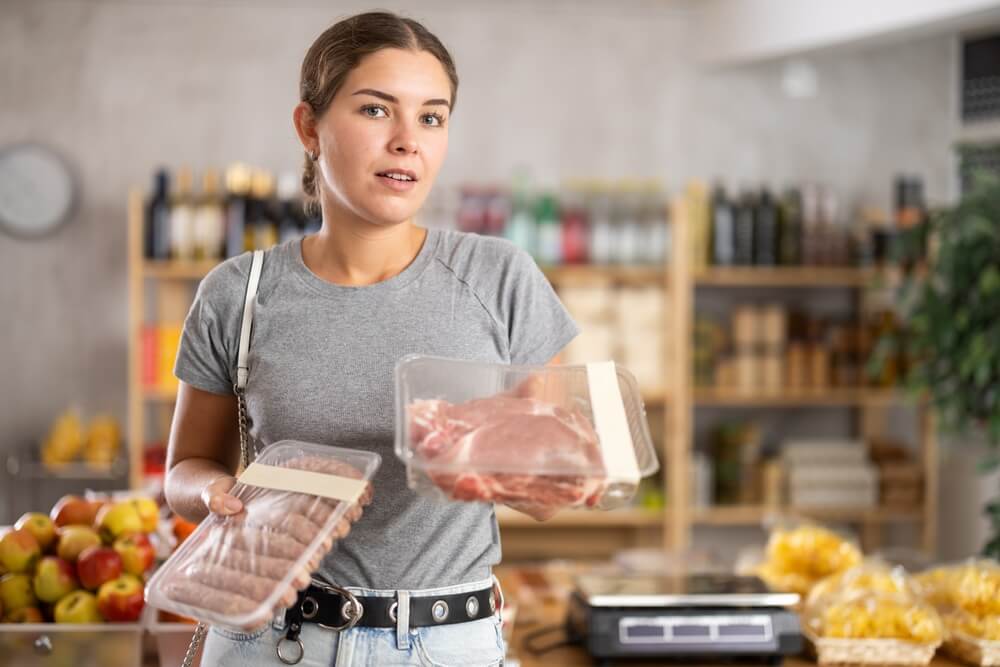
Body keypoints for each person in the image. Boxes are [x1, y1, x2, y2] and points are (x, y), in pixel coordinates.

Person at [164, 10, 579, 666]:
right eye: (376, 110)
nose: (408, 141)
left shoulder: (501, 278)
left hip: (447, 643)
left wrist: (508, 470)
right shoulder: (237, 292)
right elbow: (185, 468)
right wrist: (215, 495)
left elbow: (558, 482)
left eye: (432, 117)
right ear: (309, 127)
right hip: (270, 638)